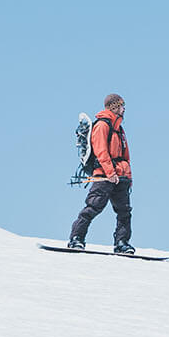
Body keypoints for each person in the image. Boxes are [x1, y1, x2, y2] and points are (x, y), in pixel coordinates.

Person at [69, 93, 133, 254]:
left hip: (120, 177)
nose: (124, 109)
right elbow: (101, 151)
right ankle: (76, 238)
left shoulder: (120, 129)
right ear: (114, 107)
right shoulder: (102, 126)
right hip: (104, 176)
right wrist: (110, 173)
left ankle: (122, 243)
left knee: (124, 212)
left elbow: (126, 156)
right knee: (93, 207)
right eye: (121, 105)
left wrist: (128, 178)